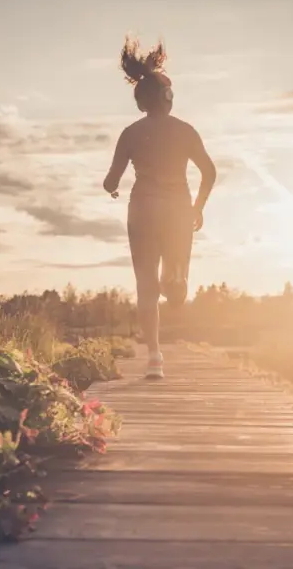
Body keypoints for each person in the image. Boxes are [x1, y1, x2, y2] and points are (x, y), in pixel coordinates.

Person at [102, 36, 217, 379]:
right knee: (176, 292)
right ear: (168, 99)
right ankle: (177, 272)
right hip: (179, 208)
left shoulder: (131, 133)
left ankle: (154, 357)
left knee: (145, 285)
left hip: (143, 210)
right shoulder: (185, 131)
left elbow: (112, 180)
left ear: (141, 104)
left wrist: (111, 189)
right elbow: (209, 172)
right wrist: (198, 207)